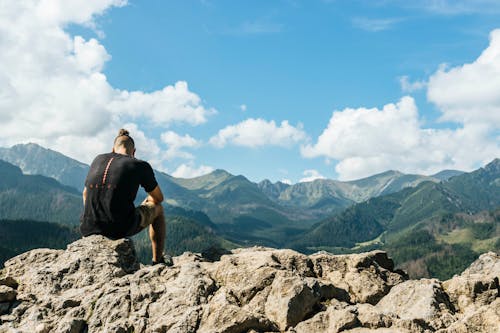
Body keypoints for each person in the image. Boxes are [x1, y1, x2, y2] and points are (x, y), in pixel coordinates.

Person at [80, 129, 169, 265]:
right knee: (158, 208)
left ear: (113, 149)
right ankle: (157, 261)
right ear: (133, 152)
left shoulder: (98, 159)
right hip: (119, 228)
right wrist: (148, 201)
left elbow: (85, 193)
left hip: (88, 227)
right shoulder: (139, 165)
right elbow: (159, 198)